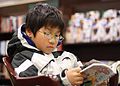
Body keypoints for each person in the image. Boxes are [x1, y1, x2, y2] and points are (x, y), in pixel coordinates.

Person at [7, 3, 84, 86]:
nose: (53, 41)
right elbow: (32, 83)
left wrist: (91, 69)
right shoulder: (22, 57)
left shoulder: (64, 55)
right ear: (29, 32)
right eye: (47, 33)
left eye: (57, 35)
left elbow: (82, 72)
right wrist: (63, 80)